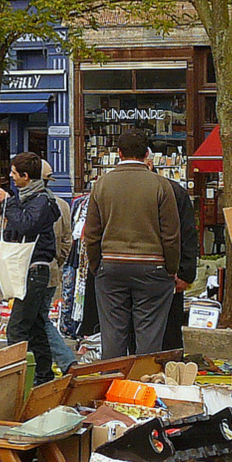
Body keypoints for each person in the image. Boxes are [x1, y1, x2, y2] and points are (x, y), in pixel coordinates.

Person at [82, 130, 180, 358]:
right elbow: (171, 235)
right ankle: (141, 381)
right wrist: (170, 268)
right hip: (152, 266)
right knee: (149, 331)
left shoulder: (101, 185)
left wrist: (97, 265)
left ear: (118, 153)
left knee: (113, 331)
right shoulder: (161, 185)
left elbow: (92, 233)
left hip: (112, 265)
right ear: (146, 153)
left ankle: (112, 381)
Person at [0, 153, 61, 385]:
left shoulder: (41, 200)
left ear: (25, 176)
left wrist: (9, 202)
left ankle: (17, 379)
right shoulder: (28, 198)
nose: (11, 177)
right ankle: (44, 376)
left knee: (16, 329)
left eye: (14, 173)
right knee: (34, 326)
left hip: (35, 271)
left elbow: (27, 224)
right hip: (27, 269)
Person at [39, 160, 78, 373]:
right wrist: (58, 261)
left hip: (36, 271)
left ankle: (65, 361)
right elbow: (66, 240)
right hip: (52, 268)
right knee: (37, 319)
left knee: (36, 320)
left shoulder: (34, 204)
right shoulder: (62, 205)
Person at [160, 159, 199, 352]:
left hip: (164, 272)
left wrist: (185, 272)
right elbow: (188, 234)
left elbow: (187, 234)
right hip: (166, 271)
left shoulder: (174, 192)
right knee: (168, 328)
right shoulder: (174, 191)